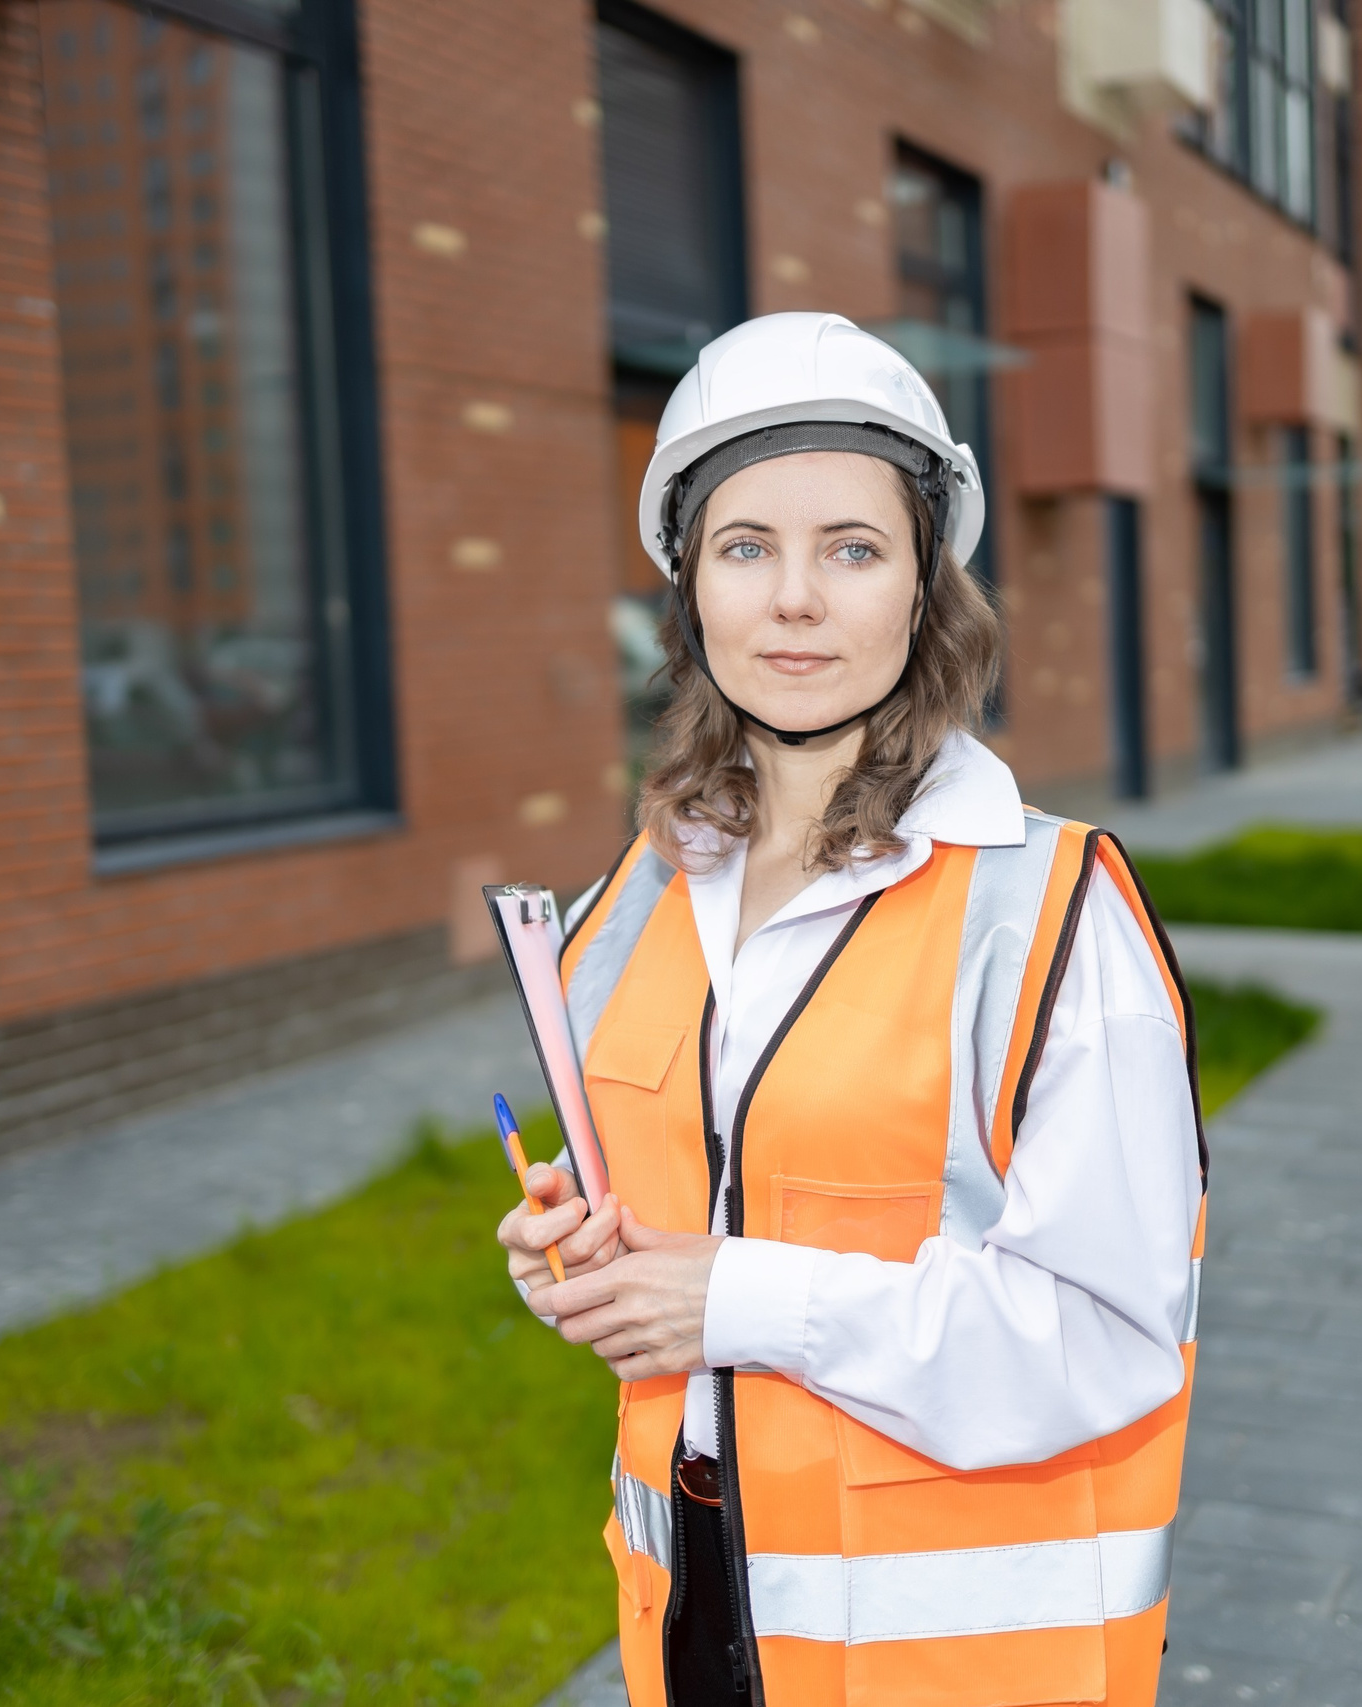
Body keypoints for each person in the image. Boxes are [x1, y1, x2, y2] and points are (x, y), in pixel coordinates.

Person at [496, 314, 1206, 1707]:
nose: (795, 599)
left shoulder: (1049, 911)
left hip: (951, 1658)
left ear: (926, 592)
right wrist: (576, 1263)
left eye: (854, 548)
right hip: (695, 1608)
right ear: (690, 589)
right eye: (746, 546)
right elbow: (664, 1222)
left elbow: (1109, 1338)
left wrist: (742, 1295)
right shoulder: (640, 889)